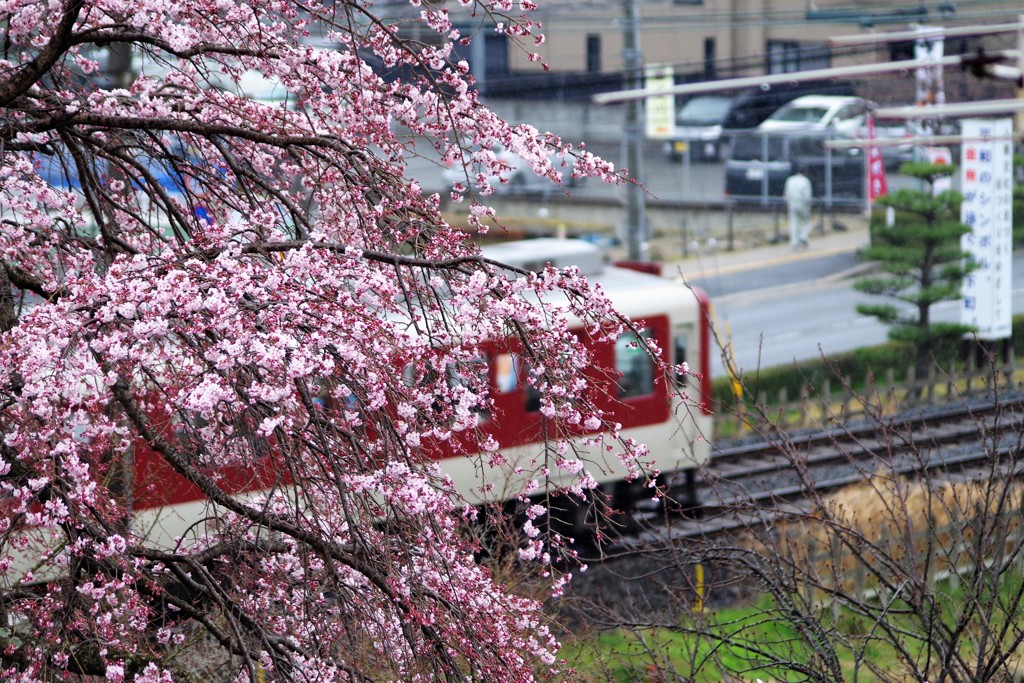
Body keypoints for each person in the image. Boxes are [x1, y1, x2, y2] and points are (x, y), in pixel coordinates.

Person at [783, 165, 813, 249]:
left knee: (794, 222)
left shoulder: (790, 180)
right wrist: (809, 205)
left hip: (792, 203)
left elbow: (786, 193)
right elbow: (807, 196)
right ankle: (803, 237)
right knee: (807, 222)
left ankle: (794, 242)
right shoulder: (805, 181)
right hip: (802, 203)